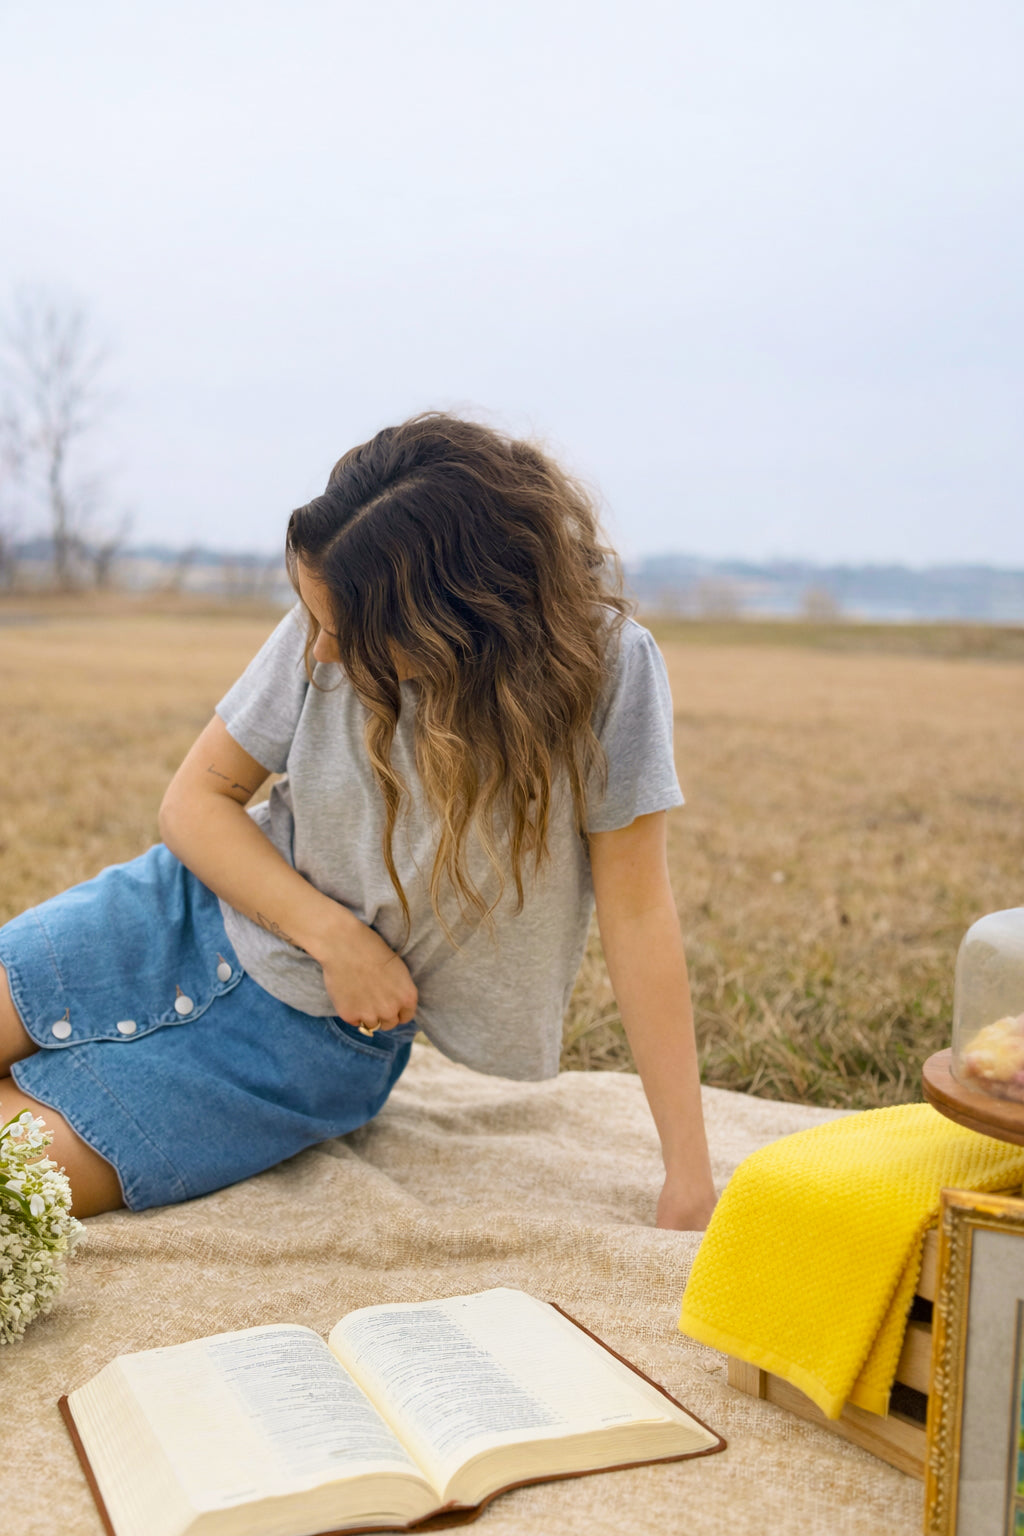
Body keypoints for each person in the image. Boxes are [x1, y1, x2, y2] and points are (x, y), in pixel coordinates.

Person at [0, 414, 716, 1229]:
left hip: (307, 1048)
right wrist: (338, 940)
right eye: (316, 624)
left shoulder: (611, 672)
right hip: (172, 916)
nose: (322, 654)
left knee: (15, 1179)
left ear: (453, 619)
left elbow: (638, 911)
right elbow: (192, 804)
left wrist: (688, 1176)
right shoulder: (332, 608)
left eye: (344, 634)